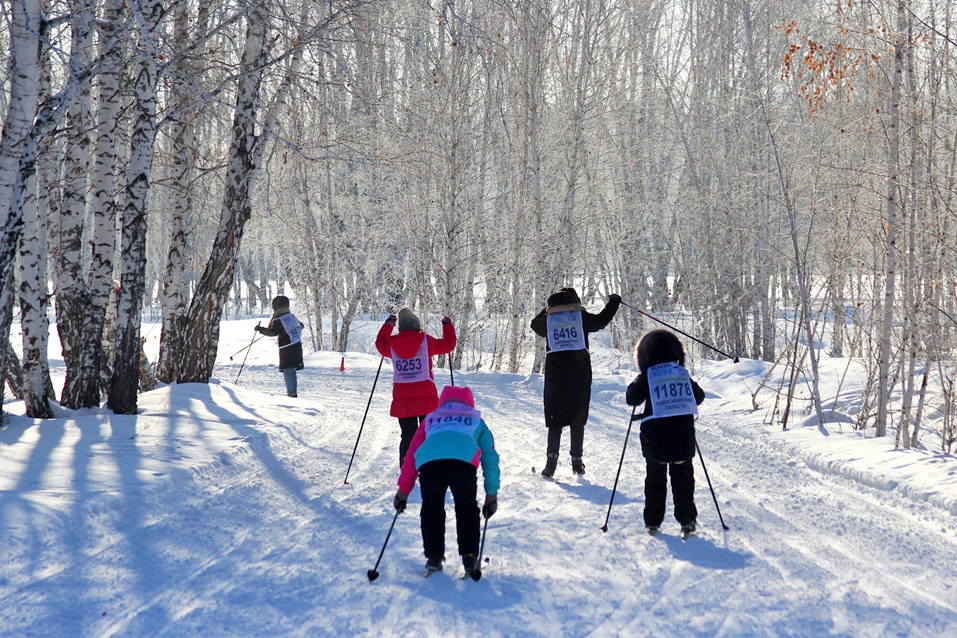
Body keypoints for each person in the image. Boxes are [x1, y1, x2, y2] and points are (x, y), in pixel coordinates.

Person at [393, 385, 500, 574]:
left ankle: (433, 557)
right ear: (470, 403)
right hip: (463, 464)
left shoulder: (430, 419)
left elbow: (412, 454)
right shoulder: (476, 420)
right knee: (466, 508)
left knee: (431, 508)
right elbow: (489, 458)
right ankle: (470, 558)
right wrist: (491, 495)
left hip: (430, 464)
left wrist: (403, 491)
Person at [530, 287, 620, 477]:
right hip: (579, 374)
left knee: (554, 419)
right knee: (577, 418)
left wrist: (548, 309)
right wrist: (614, 303)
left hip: (555, 376)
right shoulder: (581, 317)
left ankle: (551, 462)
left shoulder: (548, 320)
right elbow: (601, 320)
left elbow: (534, 325)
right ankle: (577, 462)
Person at [625, 329, 706, 536]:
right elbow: (699, 397)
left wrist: (638, 380)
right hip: (682, 436)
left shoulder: (648, 376)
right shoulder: (681, 374)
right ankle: (687, 520)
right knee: (684, 479)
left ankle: (653, 522)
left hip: (655, 439)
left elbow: (632, 399)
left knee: (655, 480)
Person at [376, 308, 456, 467]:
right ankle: (429, 470)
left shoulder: (392, 344)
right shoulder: (426, 342)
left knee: (407, 436)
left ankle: (407, 470)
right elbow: (449, 345)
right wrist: (447, 325)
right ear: (417, 326)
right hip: (427, 400)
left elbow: (379, 344)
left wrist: (389, 324)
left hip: (403, 401)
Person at [255, 295, 304, 397]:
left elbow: (273, 332)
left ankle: (291, 394)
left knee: (288, 370)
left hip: (287, 348)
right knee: (292, 371)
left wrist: (260, 329)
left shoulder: (279, 318)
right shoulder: (291, 316)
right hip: (297, 346)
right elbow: (301, 326)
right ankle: (293, 392)